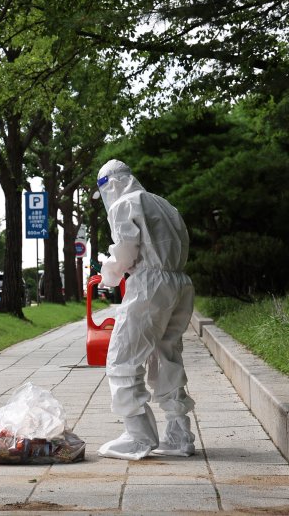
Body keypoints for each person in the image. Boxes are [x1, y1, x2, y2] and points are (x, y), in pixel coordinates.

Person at [96, 159, 196, 461]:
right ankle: (179, 434)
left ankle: (138, 436)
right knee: (166, 356)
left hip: (150, 284)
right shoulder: (163, 203)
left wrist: (109, 275)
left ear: (109, 185)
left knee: (123, 357)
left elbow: (126, 249)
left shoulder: (125, 203)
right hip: (179, 282)